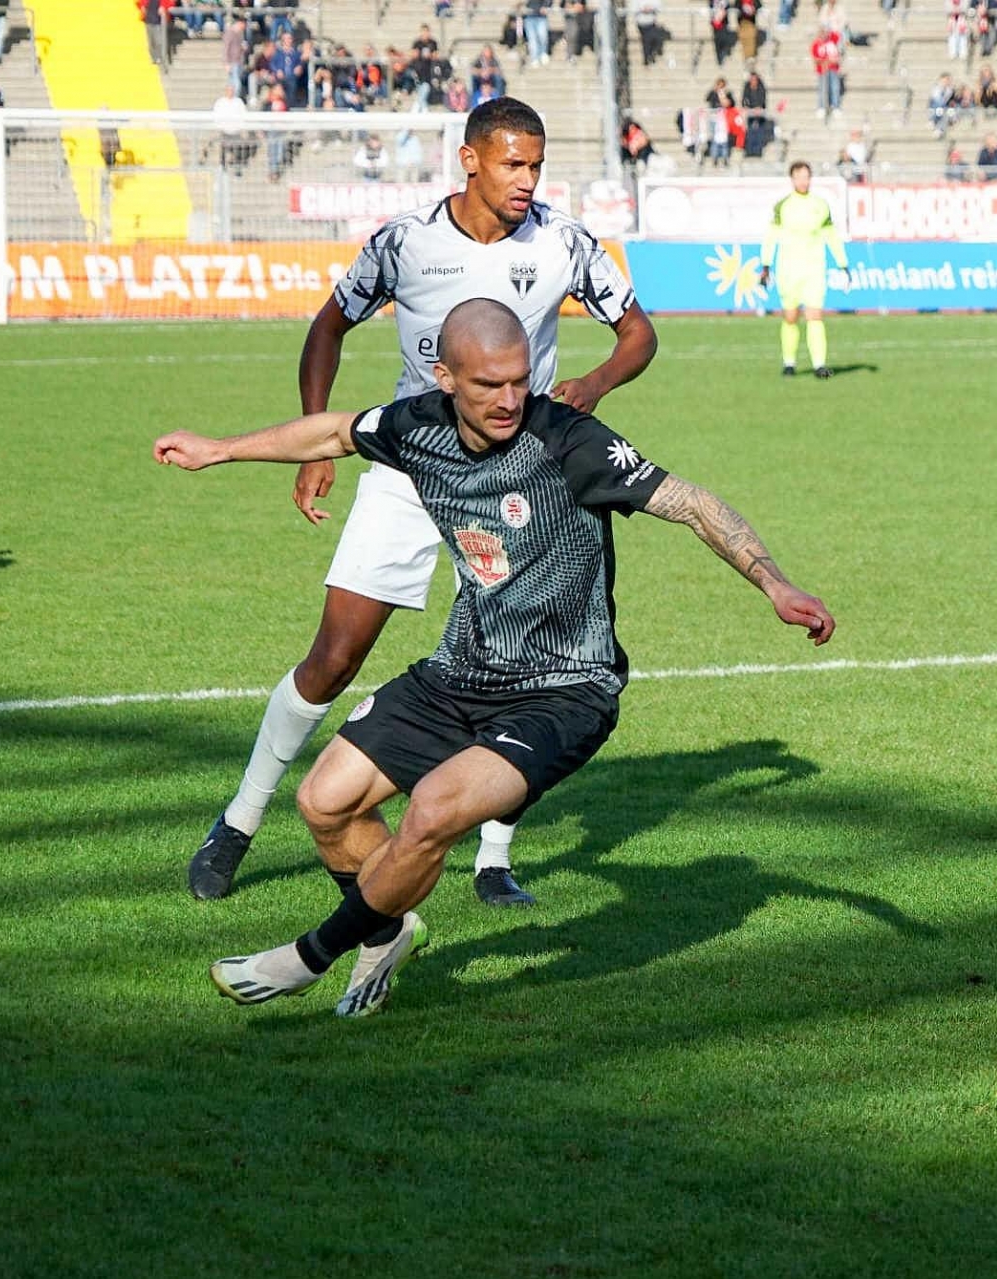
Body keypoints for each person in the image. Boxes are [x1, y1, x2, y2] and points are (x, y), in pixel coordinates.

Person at [155, 300, 834, 1018]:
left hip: (564, 690)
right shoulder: (414, 426)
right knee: (324, 803)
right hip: (460, 673)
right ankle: (385, 933)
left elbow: (692, 503)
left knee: (433, 811)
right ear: (445, 376)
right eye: (488, 385)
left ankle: (305, 958)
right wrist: (219, 448)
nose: (510, 398)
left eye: (518, 380)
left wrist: (774, 580)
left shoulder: (566, 439)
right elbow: (330, 431)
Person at [185, 98, 661, 910]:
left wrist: (594, 383)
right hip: (413, 468)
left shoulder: (565, 242)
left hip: (523, 482)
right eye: (514, 163)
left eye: (537, 165)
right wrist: (314, 451)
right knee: (335, 654)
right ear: (470, 160)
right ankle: (238, 819)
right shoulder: (405, 242)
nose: (528, 180)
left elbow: (638, 334)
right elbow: (328, 327)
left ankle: (493, 858)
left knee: (525, 660)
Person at [759, 161, 848, 379]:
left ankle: (819, 365)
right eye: (799, 177)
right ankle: (789, 363)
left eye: (806, 177)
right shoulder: (783, 206)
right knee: (790, 317)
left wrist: (842, 263)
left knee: (815, 315)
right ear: (792, 179)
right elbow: (771, 237)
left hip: (814, 269)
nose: (803, 181)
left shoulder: (820, 205)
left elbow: (831, 236)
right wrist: (766, 264)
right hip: (788, 269)